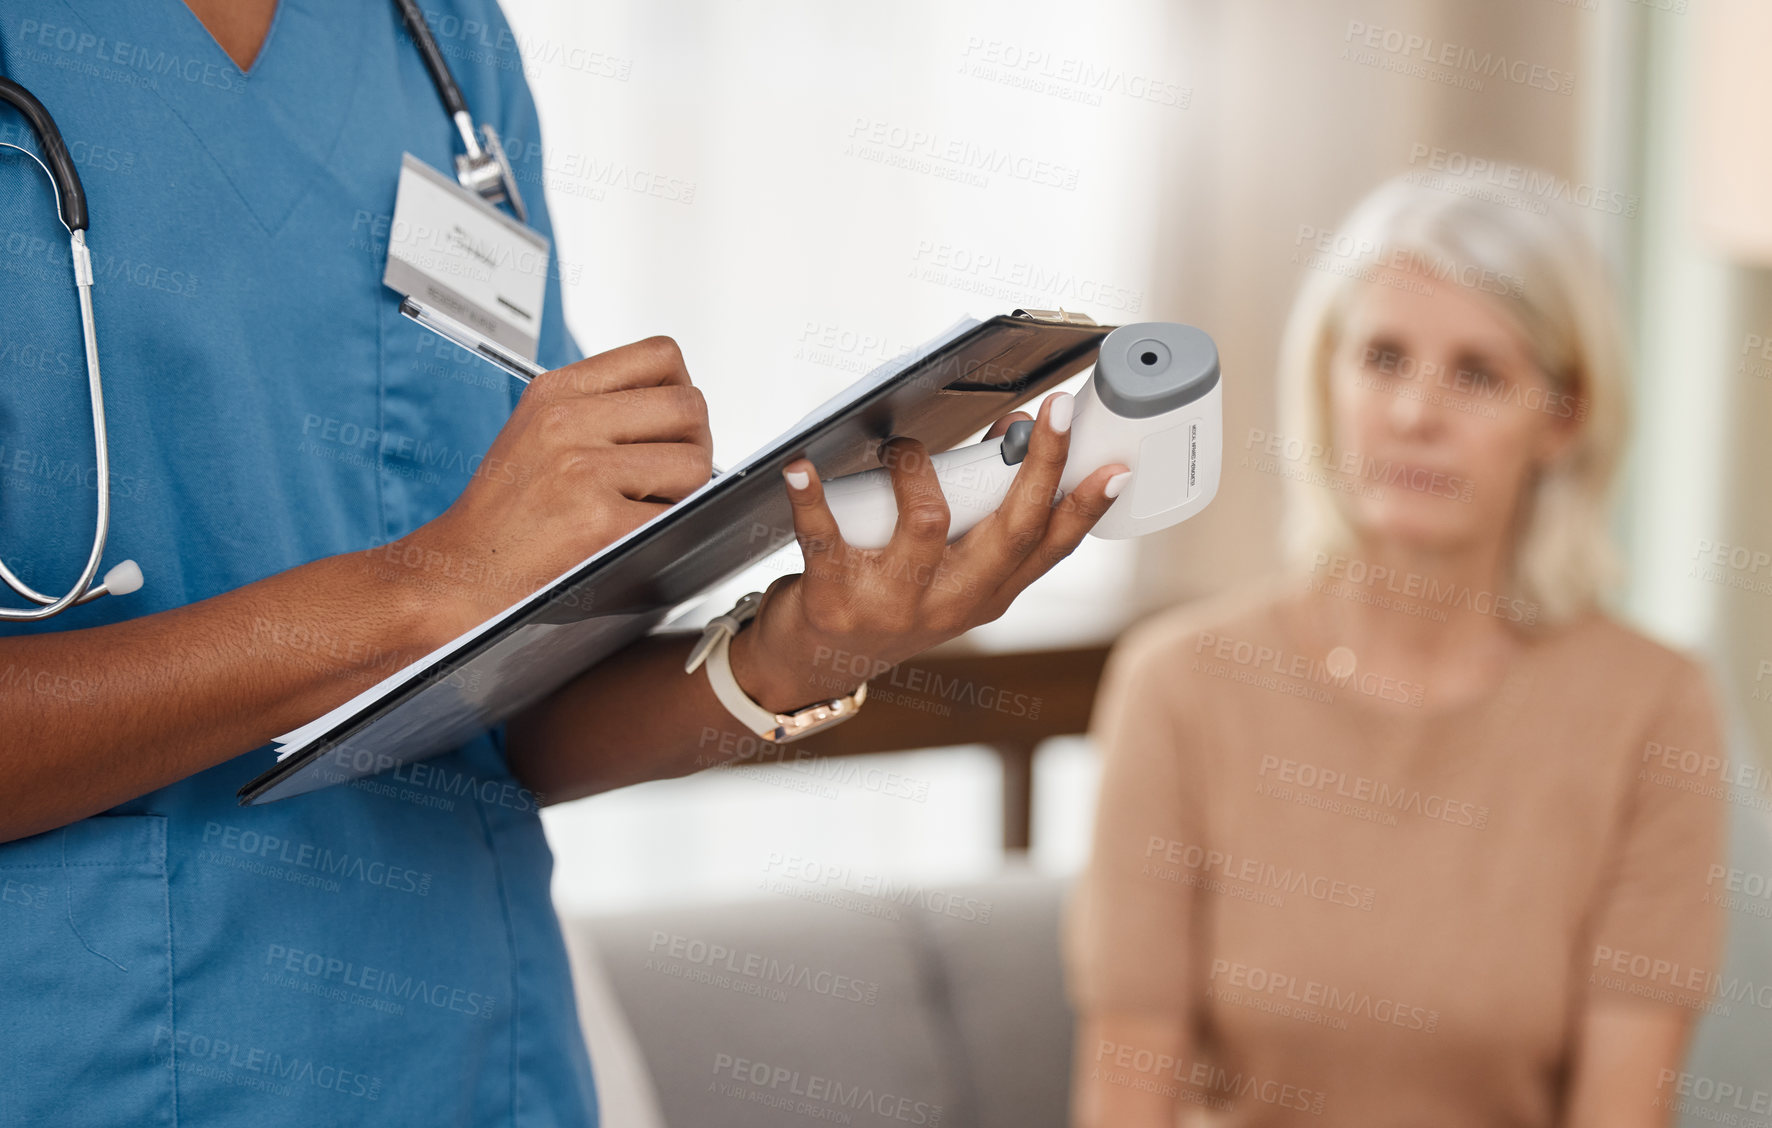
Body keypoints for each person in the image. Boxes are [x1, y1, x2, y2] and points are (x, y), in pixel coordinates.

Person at [0, 1, 1131, 1123]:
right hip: (112, 1069)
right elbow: (443, 589)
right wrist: (422, 586)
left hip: (479, 1062)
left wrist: (809, 648)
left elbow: (494, 721)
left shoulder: (441, 40)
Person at [1063, 169, 1727, 1126]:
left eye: (1477, 374)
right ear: (1326, 380)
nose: (1416, 413)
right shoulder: (1178, 687)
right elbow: (1124, 1099)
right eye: (1382, 358)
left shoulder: (1656, 708)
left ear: (1564, 415)